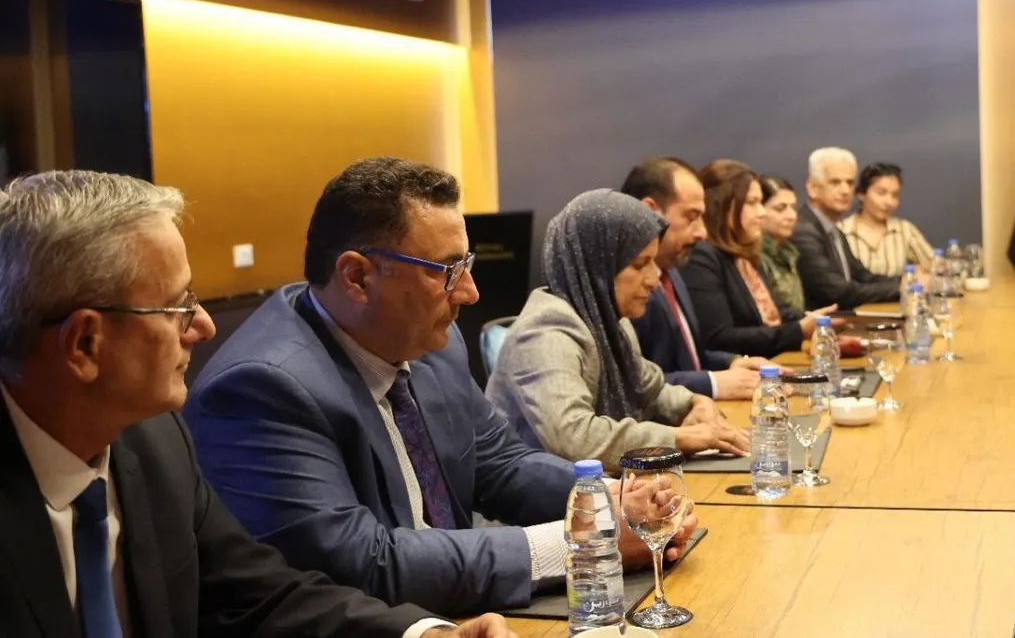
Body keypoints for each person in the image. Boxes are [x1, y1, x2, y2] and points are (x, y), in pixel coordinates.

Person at [0, 170, 514, 638]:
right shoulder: (217, 405)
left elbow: (260, 597)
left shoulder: (154, 441)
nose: (204, 327)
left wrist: (429, 637)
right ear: (85, 345)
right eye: (178, 306)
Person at [183, 157, 696, 617]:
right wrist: (581, 542)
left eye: (466, 265)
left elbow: (500, 464)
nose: (470, 293)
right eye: (448, 271)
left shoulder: (433, 343)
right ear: (357, 278)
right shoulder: (262, 388)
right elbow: (363, 565)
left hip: (465, 609)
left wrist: (609, 500)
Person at [485, 189, 750, 471]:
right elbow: (576, 438)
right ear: (596, 267)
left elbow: (650, 390)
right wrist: (680, 438)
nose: (653, 280)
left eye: (652, 262)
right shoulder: (545, 334)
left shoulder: (610, 320)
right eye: (639, 265)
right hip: (541, 496)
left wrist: (694, 403)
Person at [620, 156, 777, 400]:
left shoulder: (672, 272)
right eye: (691, 216)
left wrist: (731, 362)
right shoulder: (621, 285)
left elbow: (690, 357)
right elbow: (632, 383)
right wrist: (712, 383)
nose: (702, 233)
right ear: (650, 211)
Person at [679, 159, 836, 358]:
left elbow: (775, 312)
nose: (761, 212)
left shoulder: (743, 255)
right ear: (722, 206)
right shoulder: (702, 257)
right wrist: (798, 330)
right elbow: (718, 337)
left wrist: (817, 320)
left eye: (760, 202)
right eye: (751, 203)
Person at [792, 147, 907, 310]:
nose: (845, 191)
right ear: (813, 188)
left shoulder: (833, 231)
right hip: (823, 324)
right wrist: (900, 288)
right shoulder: (803, 231)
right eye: (835, 182)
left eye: (850, 183)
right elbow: (838, 292)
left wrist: (906, 281)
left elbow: (862, 276)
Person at [838, 162, 935, 277]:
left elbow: (936, 264)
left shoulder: (904, 230)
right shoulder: (840, 232)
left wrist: (924, 272)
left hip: (898, 289)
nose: (889, 202)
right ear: (861, 194)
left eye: (895, 195)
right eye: (881, 193)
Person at [758, 174, 806, 315]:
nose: (791, 216)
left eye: (793, 208)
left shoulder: (788, 252)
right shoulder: (754, 256)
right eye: (780, 209)